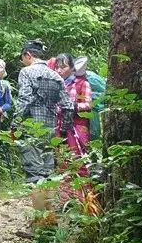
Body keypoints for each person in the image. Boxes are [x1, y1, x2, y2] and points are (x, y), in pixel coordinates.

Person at [14, 40, 74, 184]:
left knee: (33, 166)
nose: (22, 62)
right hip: (50, 127)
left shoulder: (26, 72)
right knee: (48, 166)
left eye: (22, 58)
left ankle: (36, 197)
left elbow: (25, 99)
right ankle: (47, 200)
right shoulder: (56, 76)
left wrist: (16, 122)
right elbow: (68, 106)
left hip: (31, 125)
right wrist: (64, 130)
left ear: (28, 55)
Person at [54, 54, 93, 203]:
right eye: (57, 67)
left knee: (79, 161)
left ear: (71, 68)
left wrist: (72, 107)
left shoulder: (82, 83)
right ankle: (66, 200)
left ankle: (84, 200)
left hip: (77, 127)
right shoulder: (57, 84)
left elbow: (88, 105)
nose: (59, 70)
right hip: (60, 126)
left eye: (63, 67)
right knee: (63, 162)